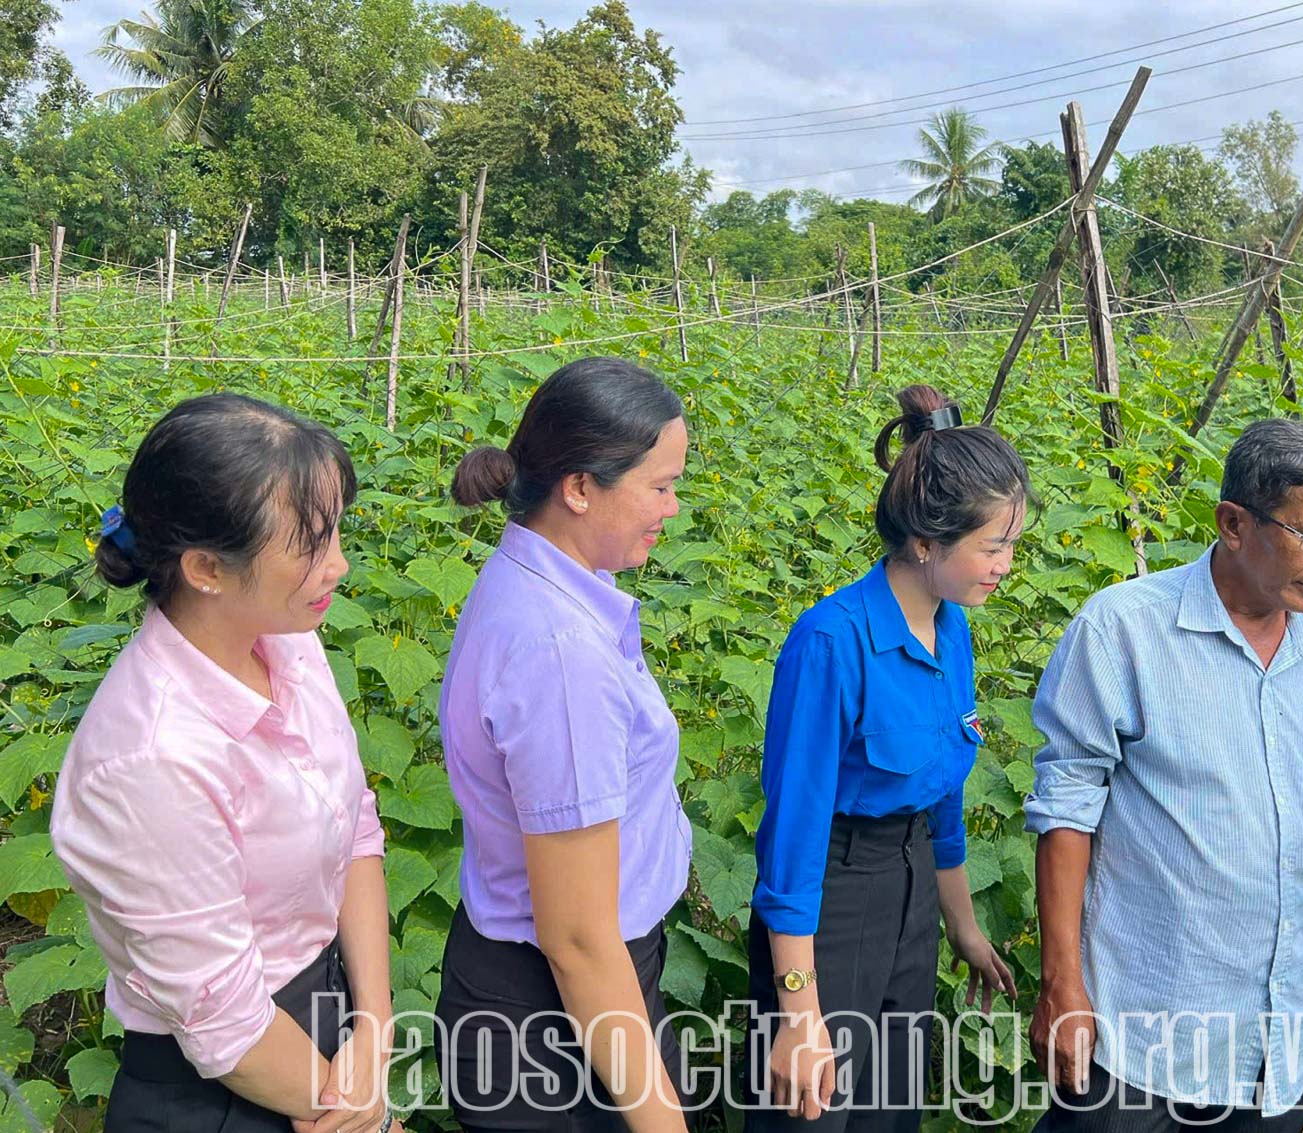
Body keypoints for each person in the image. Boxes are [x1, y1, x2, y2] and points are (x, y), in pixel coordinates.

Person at [52, 394, 396, 1133]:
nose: (337, 563)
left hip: (329, 1022)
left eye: (337, 529)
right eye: (309, 543)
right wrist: (360, 1111)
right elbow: (230, 1028)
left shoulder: (287, 639)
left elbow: (355, 828)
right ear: (207, 566)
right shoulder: (149, 760)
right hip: (221, 1090)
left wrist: (375, 1024)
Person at [1025, 418, 1303, 1132]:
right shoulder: (1123, 629)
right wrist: (1062, 983)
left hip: (1275, 1029)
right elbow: (1066, 807)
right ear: (1233, 523)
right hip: (1141, 1024)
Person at [744, 384, 1028, 1131]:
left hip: (909, 902)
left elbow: (941, 803)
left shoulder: (951, 624)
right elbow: (793, 838)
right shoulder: (833, 642)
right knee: (813, 1112)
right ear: (927, 542)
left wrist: (960, 924)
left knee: (888, 1113)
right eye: (991, 547)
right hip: (829, 904)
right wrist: (799, 1007)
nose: (1005, 565)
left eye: (1012, 546)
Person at [435, 357, 694, 1133]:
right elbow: (578, 936)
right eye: (659, 485)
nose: (672, 508)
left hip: (567, 997)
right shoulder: (558, 650)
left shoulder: (541, 581)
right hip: (558, 1019)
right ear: (579, 487)